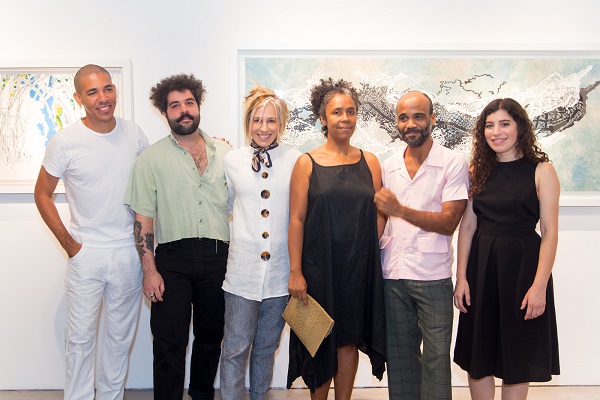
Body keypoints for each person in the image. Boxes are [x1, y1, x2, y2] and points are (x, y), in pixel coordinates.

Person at [33, 64, 148, 400]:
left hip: (128, 253)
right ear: (79, 98)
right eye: (93, 92)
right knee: (80, 340)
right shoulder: (65, 141)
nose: (103, 98)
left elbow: (151, 186)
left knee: (119, 340)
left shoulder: (134, 133)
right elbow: (42, 194)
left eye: (108, 89)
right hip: (86, 254)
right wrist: (71, 246)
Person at [124, 74, 230, 400]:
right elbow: (143, 220)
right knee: (169, 341)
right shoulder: (150, 159)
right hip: (172, 260)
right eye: (175, 105)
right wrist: (149, 270)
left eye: (189, 103)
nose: (183, 111)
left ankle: (201, 394)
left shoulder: (226, 153)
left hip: (219, 257)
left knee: (211, 336)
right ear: (164, 111)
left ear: (198, 106)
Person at [453, 98, 560, 400]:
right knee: (479, 356)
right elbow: (469, 226)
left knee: (516, 356)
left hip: (523, 272)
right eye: (489, 125)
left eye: (504, 124)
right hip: (481, 269)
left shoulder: (542, 171)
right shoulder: (477, 171)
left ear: (519, 127)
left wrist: (539, 286)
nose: (496, 132)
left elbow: (550, 233)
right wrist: (461, 277)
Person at [287, 78, 386, 400]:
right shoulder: (307, 162)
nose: (345, 118)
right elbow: (296, 219)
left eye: (351, 111)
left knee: (349, 339)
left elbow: (380, 213)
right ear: (323, 117)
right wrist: (296, 271)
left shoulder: (369, 161)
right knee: (318, 339)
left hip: (358, 269)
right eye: (337, 112)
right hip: (319, 269)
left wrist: (371, 251)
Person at [374, 91, 469, 400]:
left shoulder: (453, 163)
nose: (410, 123)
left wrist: (401, 210)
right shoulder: (389, 166)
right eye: (403, 117)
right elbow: (382, 220)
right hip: (394, 275)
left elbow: (449, 221)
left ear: (433, 119)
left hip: (433, 277)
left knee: (437, 359)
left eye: (418, 116)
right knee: (401, 360)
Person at [219, 84, 301, 400]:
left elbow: (300, 214)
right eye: (256, 120)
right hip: (241, 273)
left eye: (270, 121)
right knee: (236, 346)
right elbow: (224, 206)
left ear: (280, 123)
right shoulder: (233, 160)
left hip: (281, 274)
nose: (263, 128)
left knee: (267, 345)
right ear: (248, 123)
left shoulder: (296, 160)